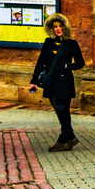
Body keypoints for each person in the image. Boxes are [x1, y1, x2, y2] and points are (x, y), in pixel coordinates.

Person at [29, 13, 85, 151]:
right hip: (51, 82)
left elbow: (80, 63)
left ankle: (63, 140)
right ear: (51, 29)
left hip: (65, 82)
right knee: (60, 110)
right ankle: (70, 137)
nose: (58, 29)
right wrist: (34, 81)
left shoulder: (72, 44)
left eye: (60, 26)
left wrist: (67, 66)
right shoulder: (48, 42)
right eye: (55, 27)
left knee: (63, 110)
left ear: (65, 28)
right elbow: (40, 62)